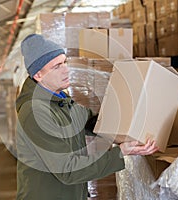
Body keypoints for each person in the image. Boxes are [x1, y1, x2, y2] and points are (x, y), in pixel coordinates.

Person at [15, 33, 158, 200]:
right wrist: (120, 152)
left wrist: (129, 124)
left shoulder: (61, 100)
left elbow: (91, 121)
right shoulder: (35, 113)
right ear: (38, 75)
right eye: (56, 67)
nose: (65, 70)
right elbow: (68, 170)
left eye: (65, 62)